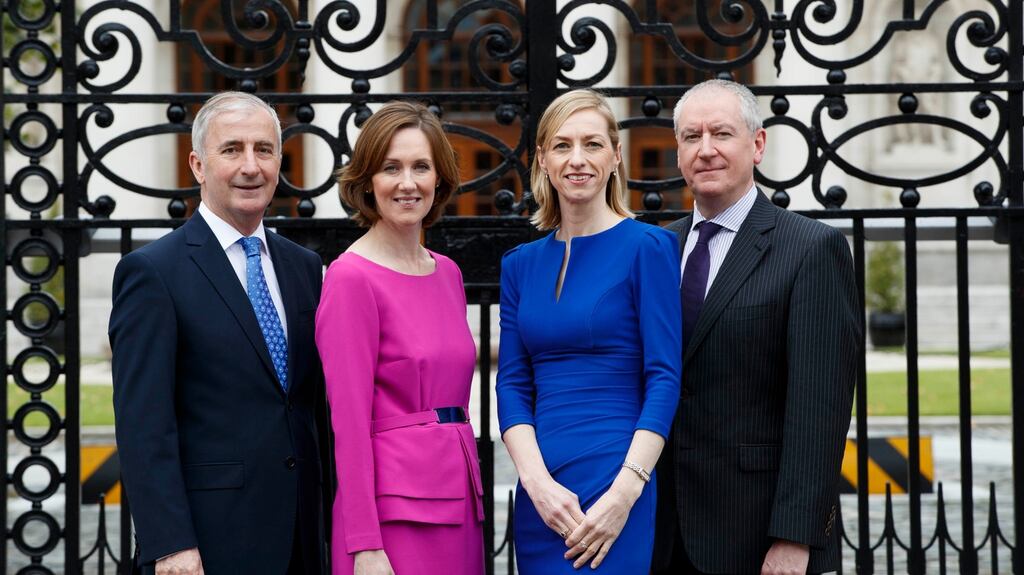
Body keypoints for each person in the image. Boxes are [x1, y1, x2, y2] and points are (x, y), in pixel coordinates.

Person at [109, 92, 328, 574]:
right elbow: (144, 428)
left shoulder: (304, 267)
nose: (251, 166)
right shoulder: (152, 272)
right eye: (232, 150)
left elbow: (311, 407)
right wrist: (169, 545)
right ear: (198, 165)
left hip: (302, 539)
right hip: (208, 545)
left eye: (264, 149)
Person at [651, 79, 859, 574]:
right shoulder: (656, 248)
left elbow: (819, 410)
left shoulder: (810, 250)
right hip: (658, 529)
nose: (705, 150)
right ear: (678, 152)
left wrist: (795, 538)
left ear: (757, 144)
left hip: (755, 534)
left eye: (721, 133)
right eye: (690, 136)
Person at [496, 89, 682, 573]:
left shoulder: (650, 247)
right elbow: (512, 383)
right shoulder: (519, 265)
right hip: (542, 494)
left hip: (616, 485)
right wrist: (535, 482)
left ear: (616, 155)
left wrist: (625, 492)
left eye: (592, 144)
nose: (577, 160)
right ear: (542, 159)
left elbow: (664, 377)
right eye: (561, 146)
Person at [316, 101, 484, 575]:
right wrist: (364, 545)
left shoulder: (447, 273)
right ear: (368, 180)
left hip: (460, 504)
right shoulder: (351, 278)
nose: (407, 183)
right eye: (391, 168)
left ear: (440, 179)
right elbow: (347, 426)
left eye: (420, 167)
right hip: (394, 518)